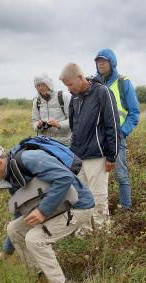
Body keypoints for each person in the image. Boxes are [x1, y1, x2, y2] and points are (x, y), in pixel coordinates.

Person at [0, 143, 94, 283]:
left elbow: (64, 177)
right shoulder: (11, 175)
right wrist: (6, 251)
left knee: (34, 239)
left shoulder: (29, 159)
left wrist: (42, 211)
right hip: (58, 206)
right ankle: (38, 275)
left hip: (78, 206)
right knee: (14, 229)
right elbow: (22, 210)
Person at [59, 63, 120, 233]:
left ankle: (103, 234)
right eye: (66, 86)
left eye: (70, 84)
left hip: (98, 156)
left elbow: (112, 125)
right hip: (78, 156)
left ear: (80, 77)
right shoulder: (74, 97)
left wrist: (111, 156)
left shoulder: (102, 92)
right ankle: (84, 233)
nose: (69, 89)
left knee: (99, 197)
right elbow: (73, 126)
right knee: (79, 197)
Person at [94, 48, 140, 211]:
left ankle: (126, 207)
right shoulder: (93, 82)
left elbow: (134, 112)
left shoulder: (123, 82)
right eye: (98, 61)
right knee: (96, 176)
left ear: (112, 63)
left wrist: (122, 132)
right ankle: (99, 209)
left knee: (121, 174)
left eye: (104, 61)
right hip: (98, 139)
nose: (100, 63)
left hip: (117, 137)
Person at [31, 73, 71, 145]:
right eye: (38, 86)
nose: (40, 88)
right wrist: (38, 125)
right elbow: (34, 121)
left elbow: (73, 120)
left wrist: (59, 124)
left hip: (64, 143)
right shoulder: (36, 101)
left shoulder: (63, 96)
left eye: (43, 84)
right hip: (44, 143)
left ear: (49, 84)